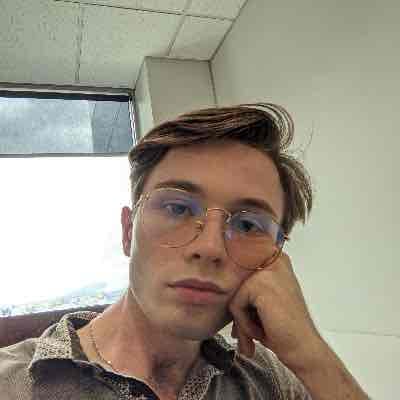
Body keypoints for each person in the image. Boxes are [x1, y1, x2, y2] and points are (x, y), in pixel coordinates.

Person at [0, 103, 370, 400]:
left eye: (247, 226)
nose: (209, 248)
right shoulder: (11, 382)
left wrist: (311, 356)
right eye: (177, 208)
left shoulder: (272, 381)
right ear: (128, 232)